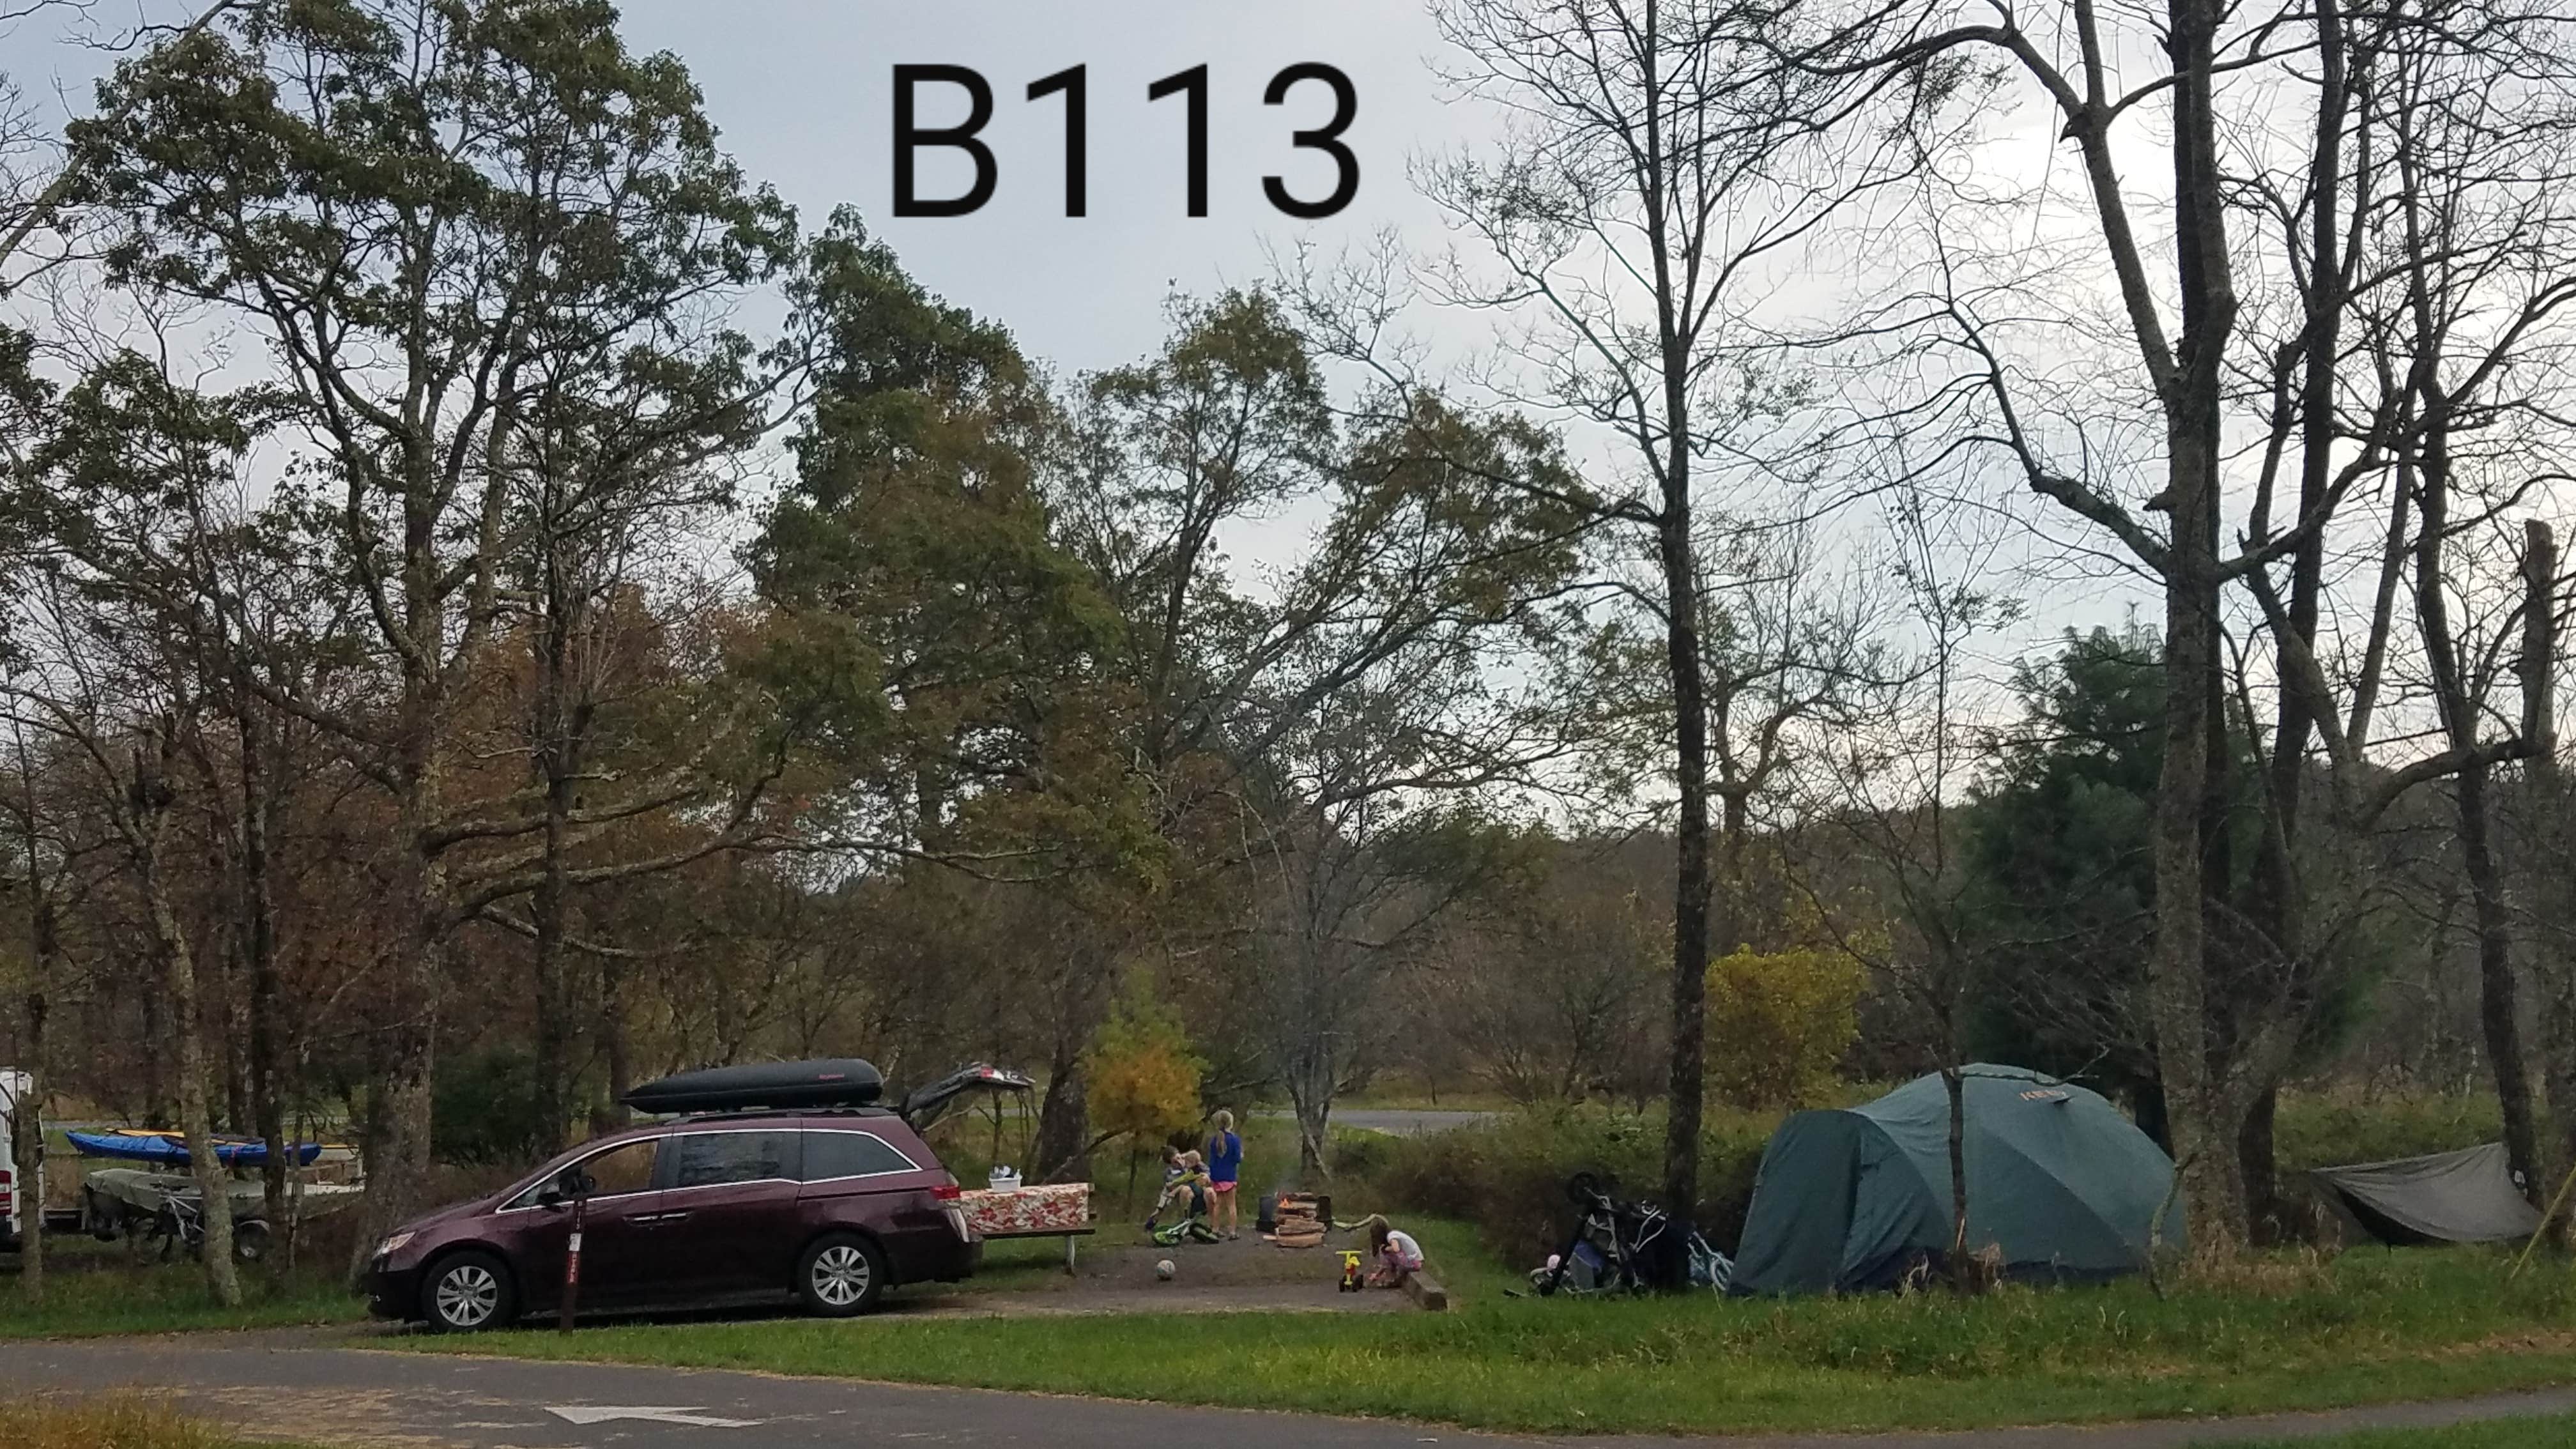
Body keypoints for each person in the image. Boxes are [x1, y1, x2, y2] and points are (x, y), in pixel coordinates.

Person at [1204, 1109, 1244, 1239]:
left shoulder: (1215, 1140)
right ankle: (1232, 1232)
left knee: (1219, 1204)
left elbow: (1212, 1160)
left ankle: (1215, 1229)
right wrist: (1241, 1156)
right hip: (1229, 1176)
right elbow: (1237, 1159)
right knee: (1231, 1205)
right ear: (1230, 1123)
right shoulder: (1234, 1139)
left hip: (1217, 1176)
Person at [1361, 1214, 1423, 1287]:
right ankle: (1392, 1277)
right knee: (1386, 1254)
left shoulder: (1391, 1236)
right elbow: (1385, 1263)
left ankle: (1391, 1278)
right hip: (1413, 1261)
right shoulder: (1393, 1235)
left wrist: (1386, 1249)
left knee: (1386, 1253)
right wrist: (1377, 1274)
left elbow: (1396, 1249)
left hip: (1413, 1262)